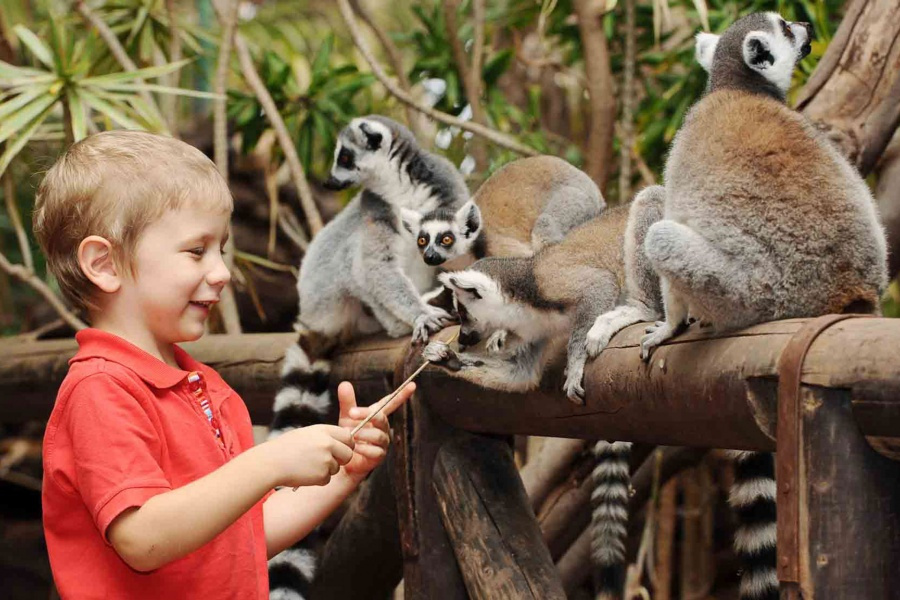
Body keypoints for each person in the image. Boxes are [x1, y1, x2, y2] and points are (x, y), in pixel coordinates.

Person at [33, 130, 414, 599]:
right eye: (196, 251)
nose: (222, 272)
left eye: (222, 250)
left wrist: (345, 470)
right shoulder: (100, 389)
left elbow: (246, 536)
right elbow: (142, 538)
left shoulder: (207, 390)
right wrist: (269, 462)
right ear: (104, 264)